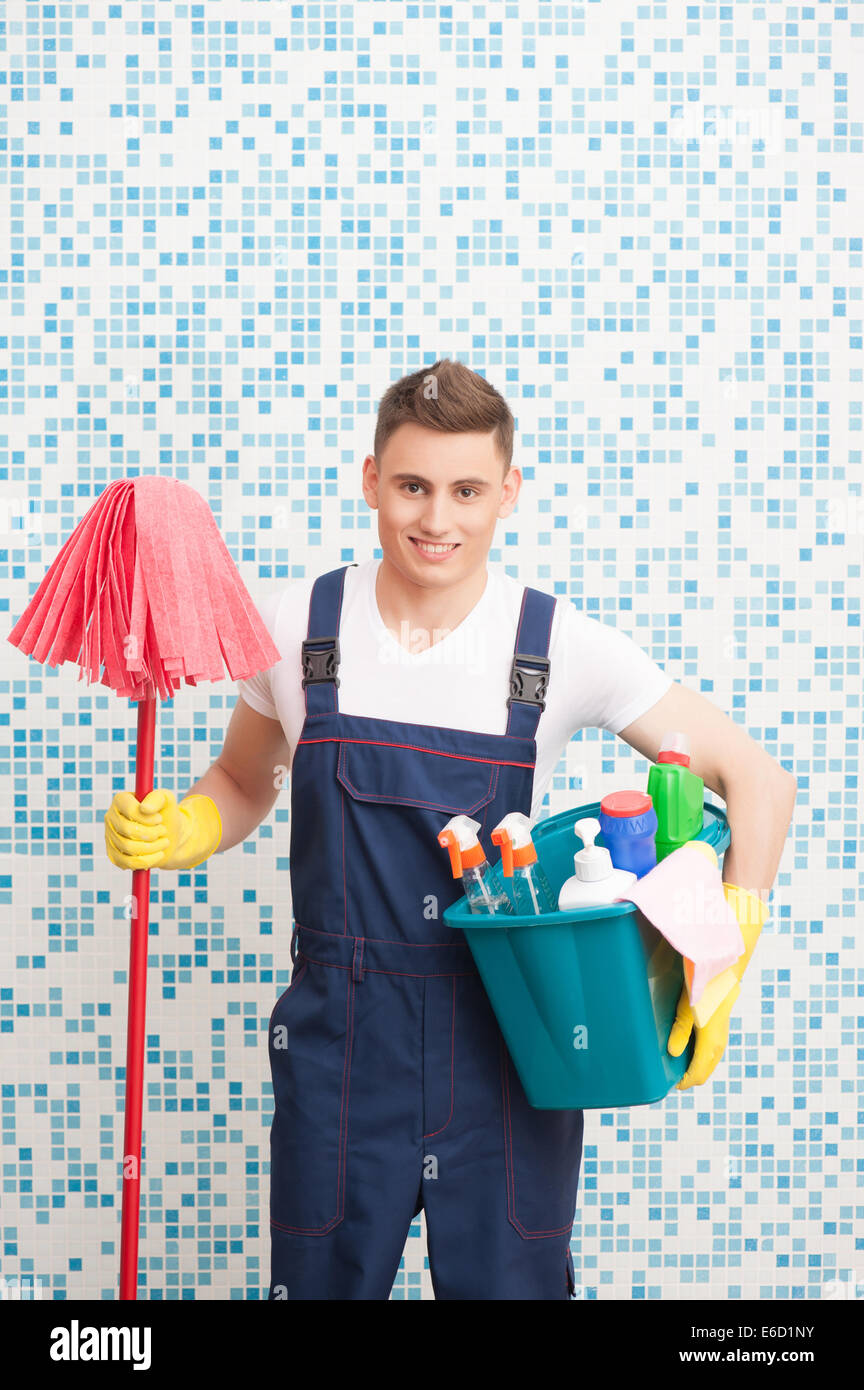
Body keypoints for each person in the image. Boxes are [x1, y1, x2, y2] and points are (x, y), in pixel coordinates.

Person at [105, 358, 796, 1300]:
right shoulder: (299, 628)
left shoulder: (553, 647)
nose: (438, 521)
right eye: (413, 487)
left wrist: (733, 933)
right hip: (341, 1061)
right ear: (370, 480)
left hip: (513, 1058)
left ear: (508, 492)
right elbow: (242, 776)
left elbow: (757, 781)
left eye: (467, 490)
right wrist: (185, 824)